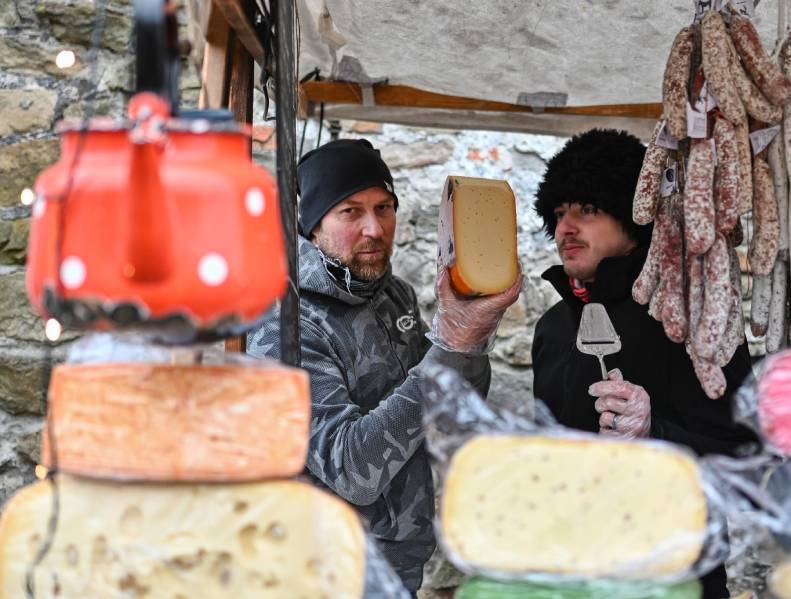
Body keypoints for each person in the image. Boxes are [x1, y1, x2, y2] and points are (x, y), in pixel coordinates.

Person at [247, 138, 521, 593]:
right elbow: (354, 471)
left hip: (399, 559)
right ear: (313, 226)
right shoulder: (286, 324)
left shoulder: (392, 294)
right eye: (350, 212)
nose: (374, 229)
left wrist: (473, 336)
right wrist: (451, 343)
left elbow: (454, 408)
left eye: (383, 207)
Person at [530, 129, 758, 599]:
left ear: (633, 218)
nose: (565, 228)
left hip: (673, 575)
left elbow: (746, 456)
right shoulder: (552, 328)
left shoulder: (691, 316)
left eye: (586, 210)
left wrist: (655, 433)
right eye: (557, 214)